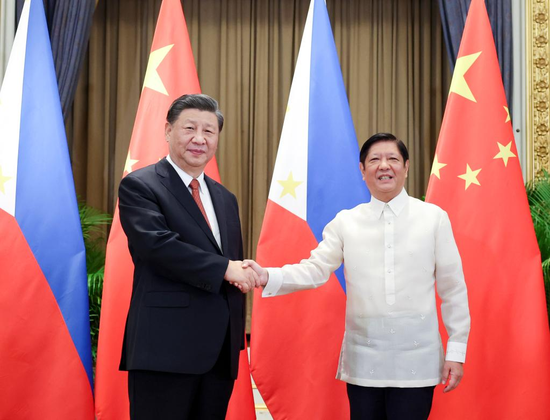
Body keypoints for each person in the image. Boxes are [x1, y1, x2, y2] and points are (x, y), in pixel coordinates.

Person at [245, 133, 471, 420]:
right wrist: (267, 275)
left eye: (392, 159)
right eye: (374, 160)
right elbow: (315, 269)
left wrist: (456, 351)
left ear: (406, 166)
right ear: (362, 170)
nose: (384, 166)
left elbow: (454, 290)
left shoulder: (433, 218)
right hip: (365, 363)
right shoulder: (346, 222)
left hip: (419, 361)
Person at [118, 93, 258, 419]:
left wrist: (240, 271)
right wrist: (225, 268)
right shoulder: (141, 186)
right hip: (164, 350)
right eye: (189, 128)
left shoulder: (226, 198)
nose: (199, 139)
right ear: (167, 131)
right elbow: (156, 246)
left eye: (209, 131)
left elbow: (230, 263)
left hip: (219, 354)